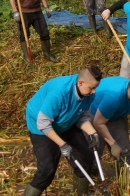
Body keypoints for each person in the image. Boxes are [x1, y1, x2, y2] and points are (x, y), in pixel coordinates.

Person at [23, 64, 103, 196]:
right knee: (47, 170)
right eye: (92, 88)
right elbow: (43, 123)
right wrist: (63, 145)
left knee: (85, 158)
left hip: (66, 121)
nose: (94, 91)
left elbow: (82, 116)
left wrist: (92, 133)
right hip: (41, 126)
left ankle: (81, 193)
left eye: (95, 87)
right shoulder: (59, 92)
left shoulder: (88, 94)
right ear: (81, 82)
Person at [90, 74, 130, 168]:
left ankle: (125, 175)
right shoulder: (114, 97)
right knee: (94, 150)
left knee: (124, 153)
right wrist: (113, 144)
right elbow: (98, 123)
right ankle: (92, 174)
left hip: (116, 115)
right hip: (94, 114)